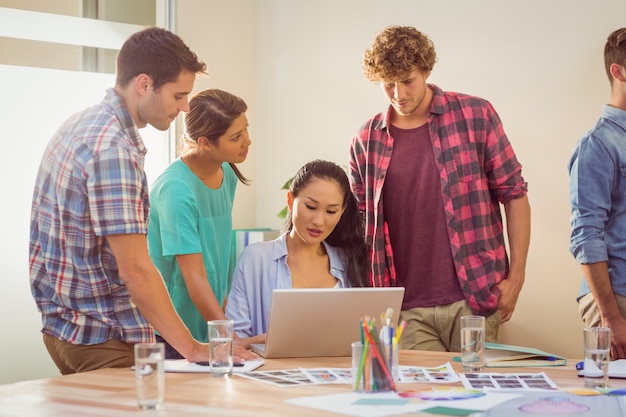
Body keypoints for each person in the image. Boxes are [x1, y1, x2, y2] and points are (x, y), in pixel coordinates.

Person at [29, 27, 213, 375]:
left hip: (63, 329)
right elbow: (136, 270)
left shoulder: (79, 124)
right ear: (144, 84)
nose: (185, 107)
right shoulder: (114, 150)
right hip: (101, 337)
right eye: (179, 95)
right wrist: (190, 347)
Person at [349, 25, 530, 352]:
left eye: (407, 81)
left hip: (475, 298)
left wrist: (516, 278)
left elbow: (514, 195)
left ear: (427, 71)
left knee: (477, 397)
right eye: (387, 84)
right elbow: (360, 227)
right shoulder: (366, 141)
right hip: (404, 310)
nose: (398, 94)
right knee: (418, 402)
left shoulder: (476, 115)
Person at [147, 88, 254, 360]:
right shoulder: (175, 190)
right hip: (173, 334)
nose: (248, 141)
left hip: (207, 324)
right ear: (205, 142)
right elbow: (193, 276)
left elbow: (216, 253)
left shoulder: (226, 172)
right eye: (236, 137)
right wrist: (226, 336)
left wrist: (228, 324)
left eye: (246, 130)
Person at [225, 160, 370, 345]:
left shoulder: (349, 262)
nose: (319, 221)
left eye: (331, 211)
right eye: (310, 207)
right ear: (290, 201)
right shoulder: (256, 259)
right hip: (273, 372)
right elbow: (233, 343)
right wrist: (265, 341)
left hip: (337, 372)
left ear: (342, 211)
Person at [569, 27, 626, 360]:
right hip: (617, 301)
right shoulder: (598, 144)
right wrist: (610, 318)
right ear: (617, 72)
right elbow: (585, 236)